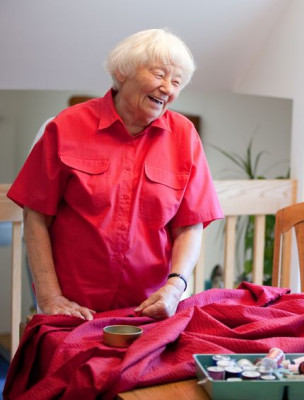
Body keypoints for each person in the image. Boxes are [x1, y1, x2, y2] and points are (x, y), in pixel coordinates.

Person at [8, 28, 223, 321]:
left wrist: (176, 286)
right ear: (123, 72)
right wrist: (50, 297)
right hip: (74, 309)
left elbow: (189, 226)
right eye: (159, 75)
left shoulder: (184, 135)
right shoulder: (65, 126)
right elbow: (36, 216)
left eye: (176, 82)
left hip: (149, 311)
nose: (168, 89)